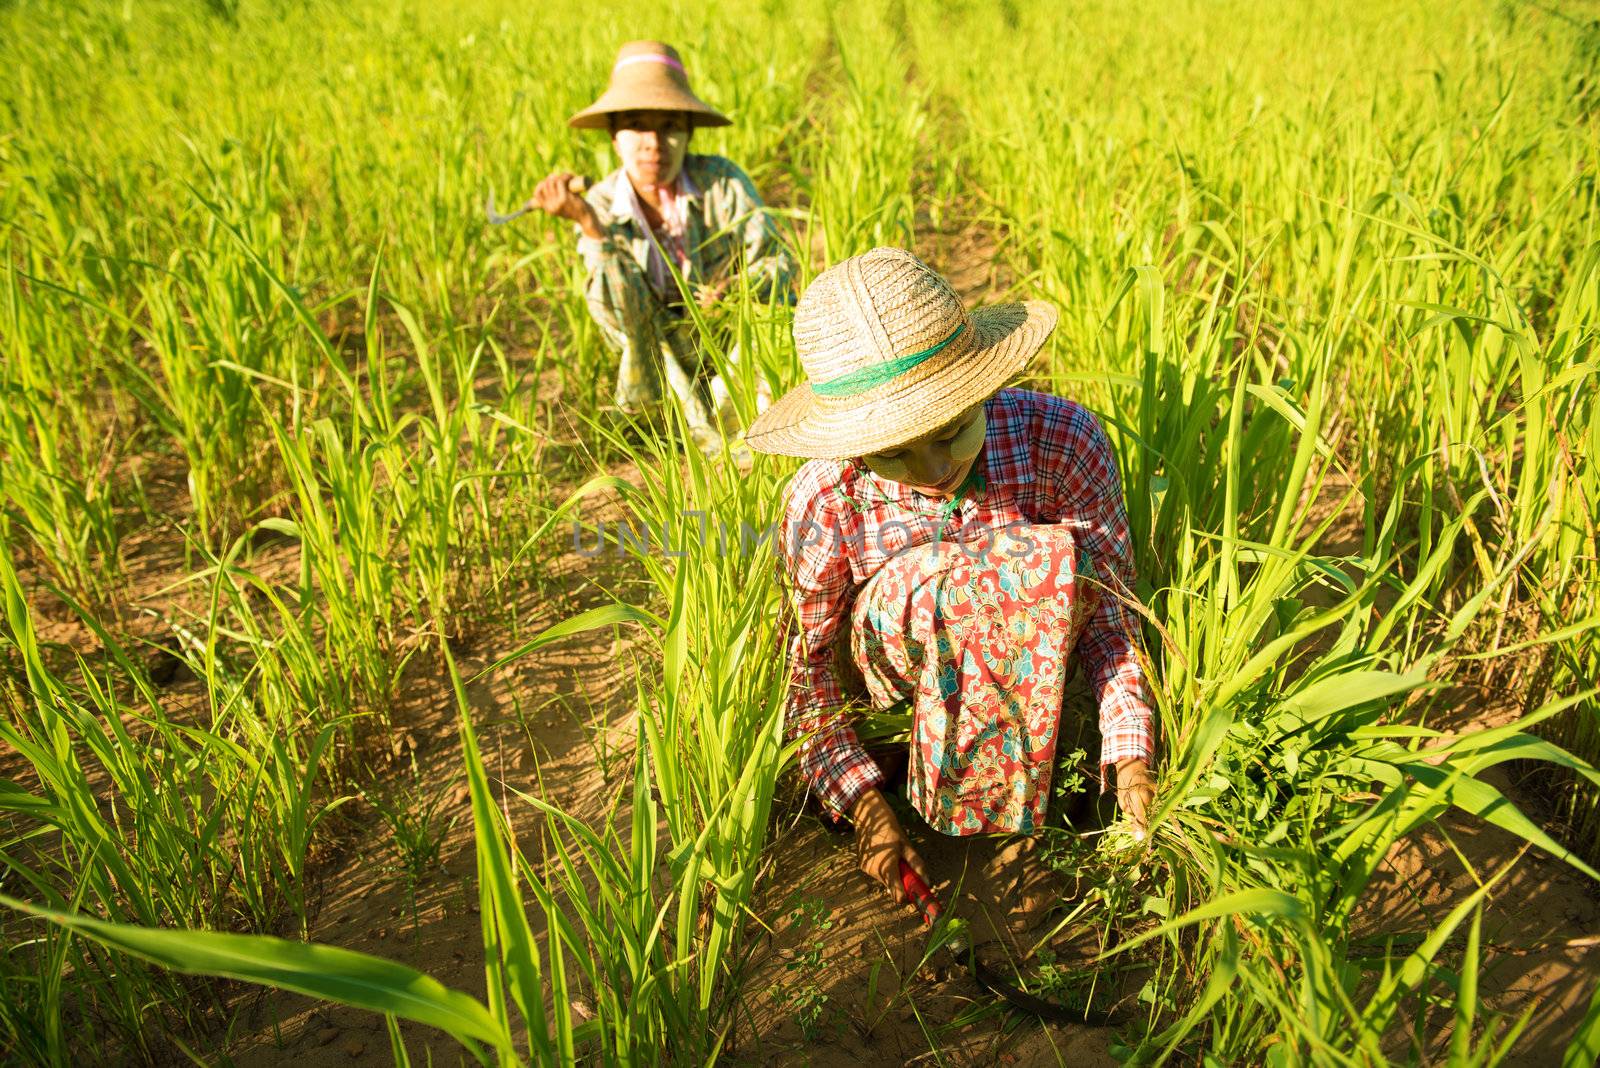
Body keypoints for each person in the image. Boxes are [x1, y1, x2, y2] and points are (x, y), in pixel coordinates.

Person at [743, 247, 1157, 913]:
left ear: (982, 389)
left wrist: (1131, 759)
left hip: (1034, 655)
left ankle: (1008, 814)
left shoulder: (1065, 442)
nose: (933, 468)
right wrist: (864, 808)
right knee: (973, 574)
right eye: (894, 453)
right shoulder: (823, 497)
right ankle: (955, 799)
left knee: (1021, 563)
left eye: (952, 432)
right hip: (890, 675)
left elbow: (1112, 619)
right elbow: (808, 670)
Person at [529, 41, 794, 453]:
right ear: (615, 137)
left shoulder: (721, 183)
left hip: (732, 347)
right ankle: (686, 430)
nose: (654, 142)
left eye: (670, 126)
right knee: (669, 410)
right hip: (661, 366)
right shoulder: (599, 206)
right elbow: (620, 321)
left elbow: (780, 263)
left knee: (776, 327)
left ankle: (760, 426)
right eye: (637, 125)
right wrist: (589, 227)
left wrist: (736, 289)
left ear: (688, 134)